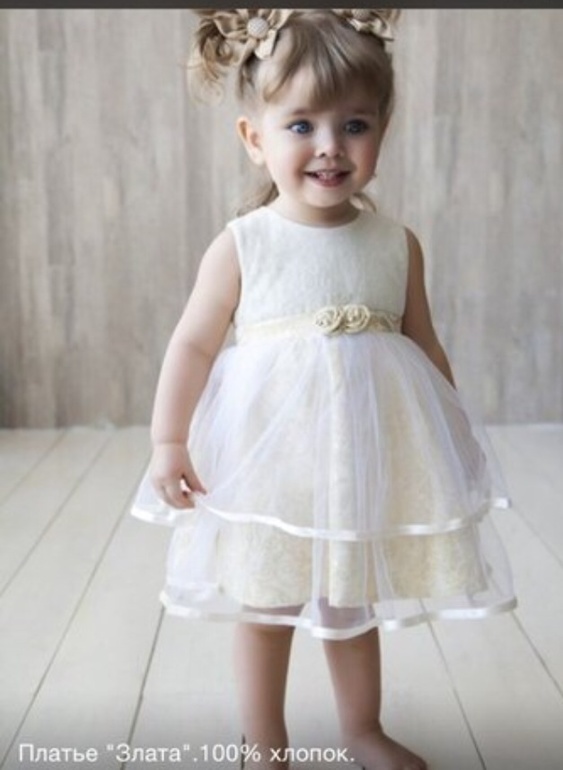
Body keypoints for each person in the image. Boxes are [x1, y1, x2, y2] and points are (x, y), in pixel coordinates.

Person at [132, 9, 516, 770]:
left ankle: (361, 729)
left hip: (360, 460)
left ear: (382, 132)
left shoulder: (395, 244)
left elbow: (424, 346)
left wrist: (455, 436)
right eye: (302, 125)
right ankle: (264, 743)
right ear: (255, 137)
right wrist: (168, 439)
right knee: (267, 601)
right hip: (272, 461)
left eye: (354, 125)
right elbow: (193, 344)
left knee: (351, 598)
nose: (330, 146)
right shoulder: (245, 244)